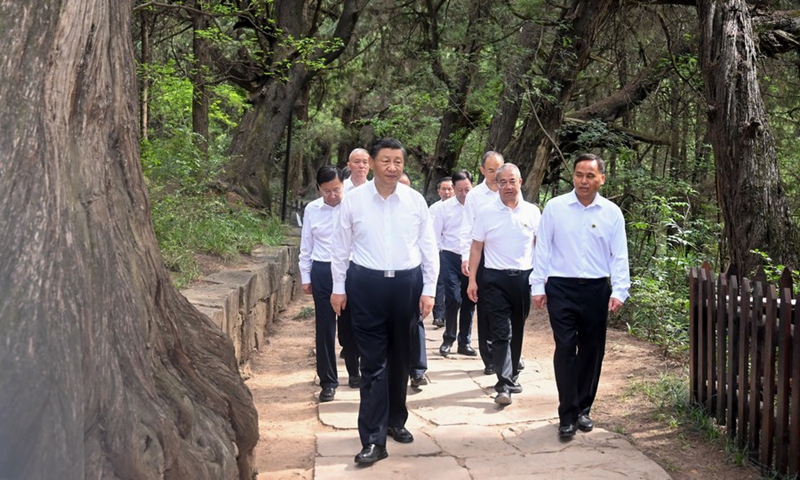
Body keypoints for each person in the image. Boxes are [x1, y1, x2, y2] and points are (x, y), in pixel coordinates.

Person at [330, 138, 439, 465]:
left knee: (401, 358)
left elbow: (428, 246)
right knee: (373, 362)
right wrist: (339, 287)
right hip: (366, 285)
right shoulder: (354, 201)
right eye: (386, 161)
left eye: (398, 162)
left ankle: (395, 419)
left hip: (406, 285)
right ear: (372, 163)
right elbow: (340, 246)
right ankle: (373, 439)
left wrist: (429, 288)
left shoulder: (414, 200)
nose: (392, 168)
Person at [530, 153, 630, 438]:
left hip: (597, 288)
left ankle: (583, 409)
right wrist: (538, 286)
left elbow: (619, 255)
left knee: (591, 350)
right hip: (561, 287)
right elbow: (543, 249)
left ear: (601, 178)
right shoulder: (555, 207)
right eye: (578, 175)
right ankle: (567, 413)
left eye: (589, 176)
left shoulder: (611, 213)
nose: (583, 181)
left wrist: (620, 290)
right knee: (565, 347)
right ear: (572, 176)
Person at [467, 164, 540, 406]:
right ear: (496, 184)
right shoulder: (486, 212)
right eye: (503, 182)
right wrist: (472, 280)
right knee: (501, 332)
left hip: (523, 279)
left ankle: (513, 376)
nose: (508, 186)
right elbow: (476, 247)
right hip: (494, 280)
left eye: (512, 181)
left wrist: (542, 280)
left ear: (521, 182)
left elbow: (540, 247)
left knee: (517, 329)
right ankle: (504, 383)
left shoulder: (532, 212)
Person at [298, 165, 359, 402]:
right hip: (322, 269)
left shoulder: (353, 207)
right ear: (319, 190)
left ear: (343, 185)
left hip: (350, 268)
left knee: (350, 324)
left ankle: (354, 372)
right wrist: (306, 276)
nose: (332, 195)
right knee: (325, 327)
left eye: (336, 190)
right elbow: (307, 244)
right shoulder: (312, 210)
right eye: (327, 191)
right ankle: (328, 381)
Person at [460, 151, 504, 375]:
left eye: (499, 169)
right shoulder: (476, 196)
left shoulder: (511, 189)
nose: (496, 175)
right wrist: (465, 258)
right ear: (481, 171)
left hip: (506, 255)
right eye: (491, 170)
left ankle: (507, 353)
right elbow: (467, 228)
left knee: (507, 308)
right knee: (486, 308)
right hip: (483, 255)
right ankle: (490, 358)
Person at [432, 170, 477, 357]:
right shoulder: (444, 208)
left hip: (472, 258)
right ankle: (448, 337)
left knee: (469, 300)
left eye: (467, 189)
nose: (464, 194)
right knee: (453, 298)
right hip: (450, 256)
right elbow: (435, 236)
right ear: (453, 189)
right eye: (459, 190)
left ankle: (464, 341)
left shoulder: (479, 206)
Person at [399, 171, 429, 388]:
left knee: (415, 322)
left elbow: (428, 248)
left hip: (412, 276)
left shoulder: (416, 208)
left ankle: (417, 369)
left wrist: (429, 286)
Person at [429, 176, 454, 328]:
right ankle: (439, 315)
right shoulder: (434, 209)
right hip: (439, 250)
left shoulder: (464, 207)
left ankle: (449, 314)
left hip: (456, 252)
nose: (447, 192)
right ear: (438, 191)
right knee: (439, 283)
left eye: (449, 188)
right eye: (443, 189)